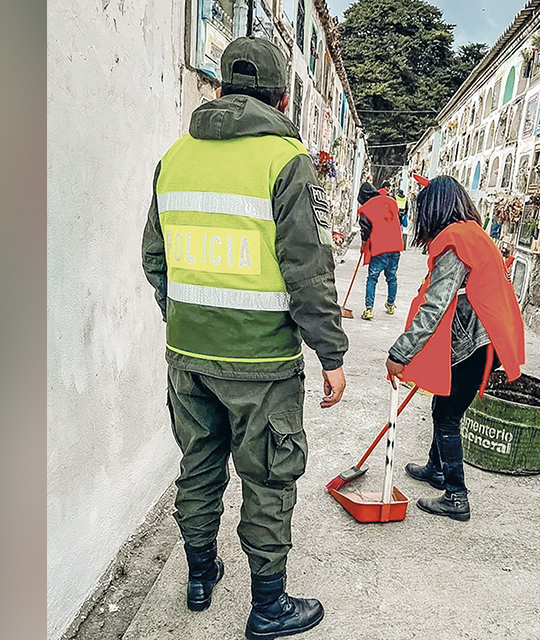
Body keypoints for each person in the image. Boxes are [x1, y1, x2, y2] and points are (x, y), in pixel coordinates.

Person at [142, 37, 347, 640]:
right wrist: (331, 352)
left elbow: (155, 258)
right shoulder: (285, 160)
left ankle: (200, 578)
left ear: (219, 88)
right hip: (261, 361)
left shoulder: (174, 157)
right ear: (282, 97)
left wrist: (183, 317)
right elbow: (308, 268)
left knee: (199, 462)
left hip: (188, 357)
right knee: (268, 476)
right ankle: (268, 606)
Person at [383, 176, 526, 521]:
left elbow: (435, 305)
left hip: (474, 344)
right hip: (487, 339)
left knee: (446, 415)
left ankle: (456, 496)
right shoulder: (475, 234)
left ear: (434, 210)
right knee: (445, 407)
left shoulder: (454, 242)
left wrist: (399, 353)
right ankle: (436, 468)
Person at [356, 181, 404, 320]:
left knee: (372, 278)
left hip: (380, 248)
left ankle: (369, 309)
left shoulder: (367, 208)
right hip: (395, 246)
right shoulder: (391, 201)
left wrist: (363, 245)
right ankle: (390, 304)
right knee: (392, 277)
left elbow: (365, 230)